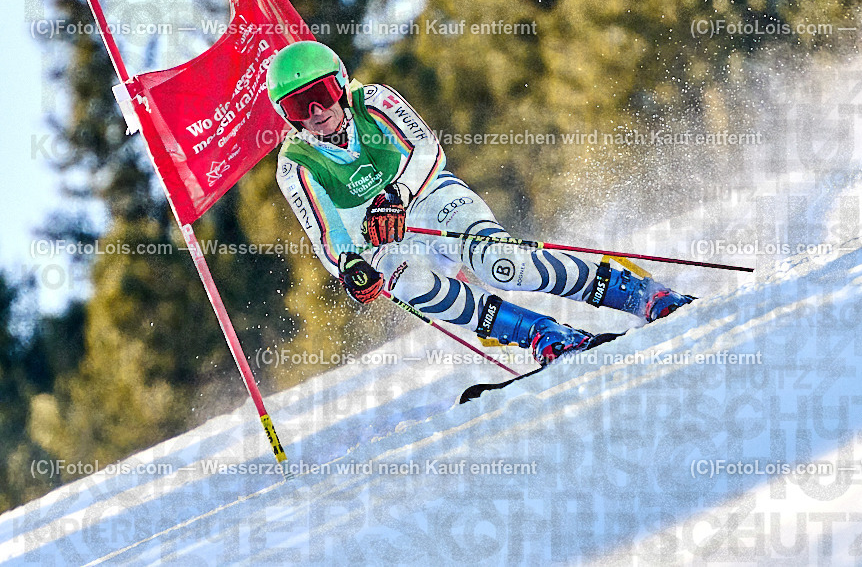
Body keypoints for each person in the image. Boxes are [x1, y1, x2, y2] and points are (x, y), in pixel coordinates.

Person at [268, 41, 695, 365]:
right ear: (287, 116)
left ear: (341, 83)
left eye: (322, 93)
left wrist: (398, 195)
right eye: (298, 106)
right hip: (382, 239)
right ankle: (541, 334)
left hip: (430, 197)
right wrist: (350, 266)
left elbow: (427, 149)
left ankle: (640, 294)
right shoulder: (295, 165)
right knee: (409, 284)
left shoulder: (374, 101)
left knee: (504, 266)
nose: (316, 111)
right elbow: (326, 234)